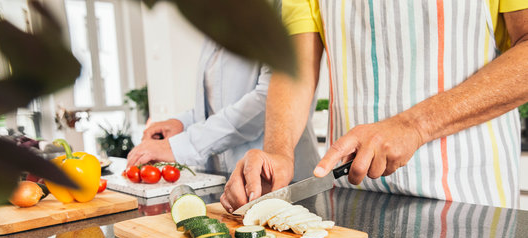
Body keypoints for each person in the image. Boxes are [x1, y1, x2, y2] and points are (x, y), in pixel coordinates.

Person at [220, 0, 528, 213]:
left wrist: (415, 125)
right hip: (355, 205)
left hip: (469, 200)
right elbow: (294, 66)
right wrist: (278, 150)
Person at [126, 36, 320, 181]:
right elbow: (217, 107)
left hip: (283, 178)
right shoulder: (218, 26)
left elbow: (267, 102)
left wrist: (182, 146)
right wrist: (180, 123)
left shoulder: (275, 10)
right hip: (228, 178)